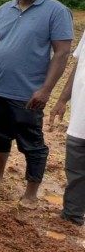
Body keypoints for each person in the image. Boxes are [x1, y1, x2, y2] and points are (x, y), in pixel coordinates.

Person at [0, 0, 72, 209]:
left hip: (28, 94)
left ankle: (30, 195)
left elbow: (62, 53)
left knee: (33, 144)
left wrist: (46, 90)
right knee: (0, 135)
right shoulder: (3, 9)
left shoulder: (57, 11)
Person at [49, 34, 85, 227]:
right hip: (81, 114)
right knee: (75, 165)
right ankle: (72, 215)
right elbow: (79, 64)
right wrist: (63, 99)